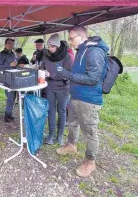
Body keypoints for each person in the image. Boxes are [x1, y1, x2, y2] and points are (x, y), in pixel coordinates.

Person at [55, 25, 108, 178]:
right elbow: (78, 74)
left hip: (89, 100)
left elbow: (93, 79)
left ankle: (90, 162)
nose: (70, 42)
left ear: (82, 36)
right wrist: (66, 74)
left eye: (72, 38)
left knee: (90, 132)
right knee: (72, 124)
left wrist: (67, 74)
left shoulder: (95, 52)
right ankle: (71, 145)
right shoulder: (81, 51)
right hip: (76, 96)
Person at [41, 34, 72, 145]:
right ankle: (51, 134)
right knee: (51, 111)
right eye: (49, 46)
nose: (50, 48)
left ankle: (59, 136)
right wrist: (42, 72)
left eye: (53, 46)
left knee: (62, 111)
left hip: (63, 88)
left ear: (58, 46)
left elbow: (67, 74)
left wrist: (51, 74)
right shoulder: (46, 55)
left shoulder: (66, 56)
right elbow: (42, 67)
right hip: (50, 87)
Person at [0, 38, 17, 122]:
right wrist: (9, 65)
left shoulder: (13, 54)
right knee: (11, 96)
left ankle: (8, 114)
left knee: (12, 96)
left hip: (13, 77)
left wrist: (16, 65)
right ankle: (7, 116)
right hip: (4, 78)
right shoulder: (0, 55)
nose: (11, 45)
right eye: (9, 43)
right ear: (5, 44)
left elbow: (14, 65)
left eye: (12, 43)